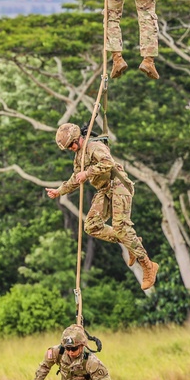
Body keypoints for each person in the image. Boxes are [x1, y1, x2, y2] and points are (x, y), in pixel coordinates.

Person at [46, 122, 158, 290]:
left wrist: (88, 173)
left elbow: (108, 163)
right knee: (91, 226)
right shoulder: (79, 156)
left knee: (121, 227)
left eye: (71, 145)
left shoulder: (94, 146)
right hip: (104, 190)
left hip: (118, 185)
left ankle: (148, 265)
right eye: (67, 147)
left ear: (77, 139)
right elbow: (76, 179)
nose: (70, 149)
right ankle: (130, 242)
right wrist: (59, 191)